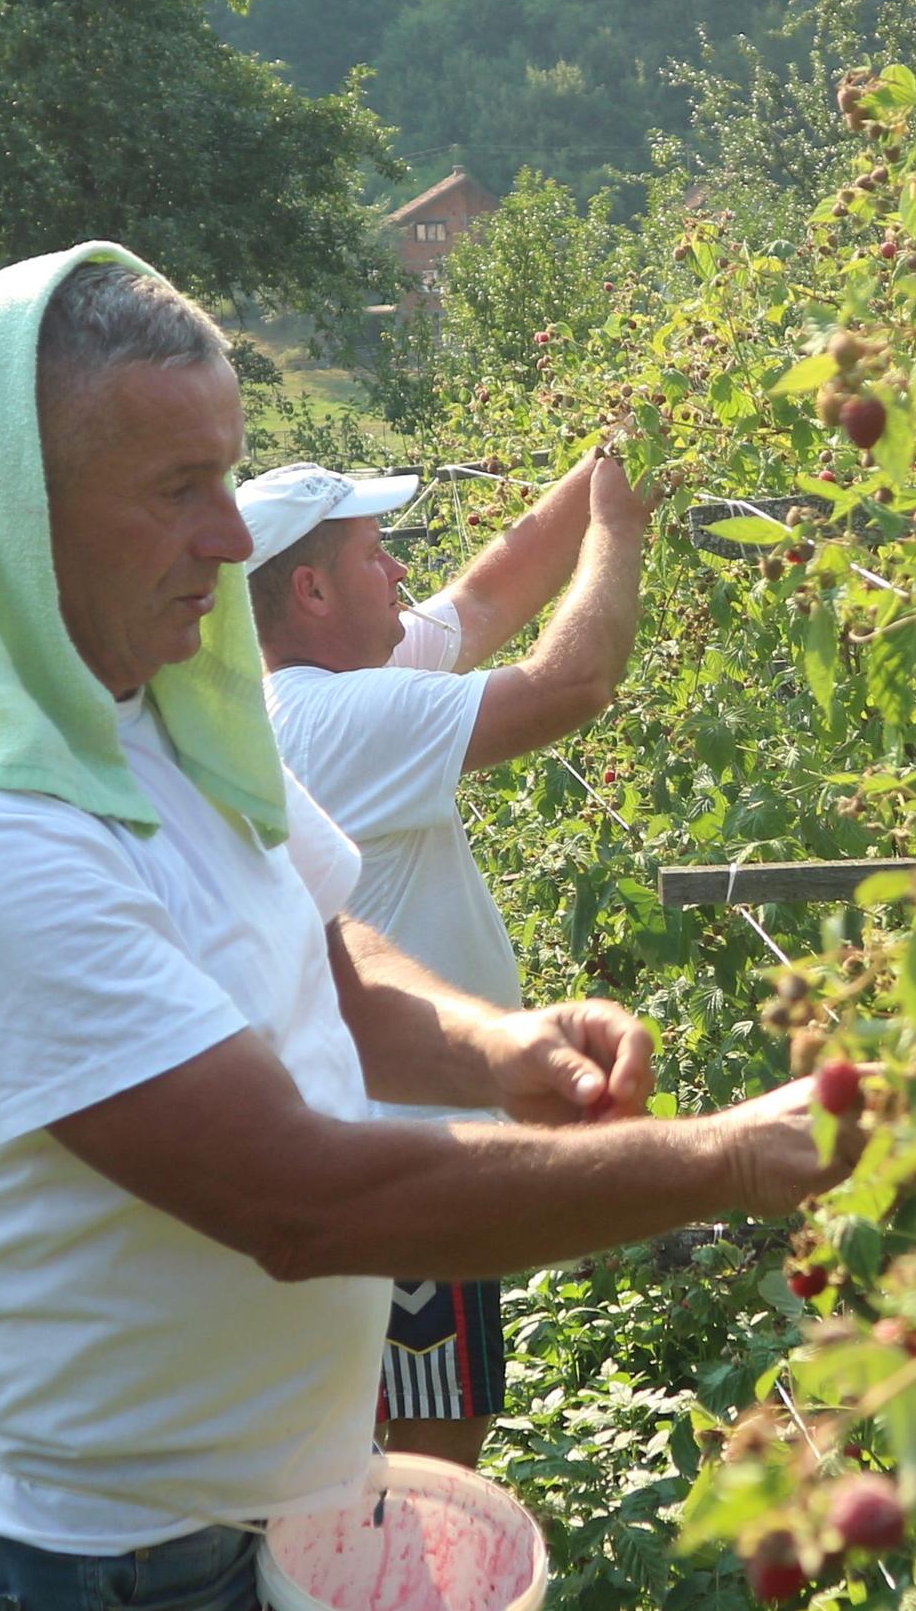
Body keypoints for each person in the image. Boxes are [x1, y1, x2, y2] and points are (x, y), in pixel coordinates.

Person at [0, 244, 849, 1611]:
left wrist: (491, 1049)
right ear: (15, 506)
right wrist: (733, 1159)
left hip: (281, 1491)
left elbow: (322, 954)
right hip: (108, 1563)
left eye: (228, 475)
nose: (231, 538)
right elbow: (303, 1200)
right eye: (173, 487)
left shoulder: (145, 708)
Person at [237, 449, 654, 1468]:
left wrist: (612, 462)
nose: (401, 577)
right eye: (378, 555)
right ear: (311, 589)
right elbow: (573, 682)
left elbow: (488, 593)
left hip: (387, 1142)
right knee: (425, 1453)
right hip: (407, 1156)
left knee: (389, 1432)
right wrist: (624, 529)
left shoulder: (322, 687)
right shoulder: (334, 717)